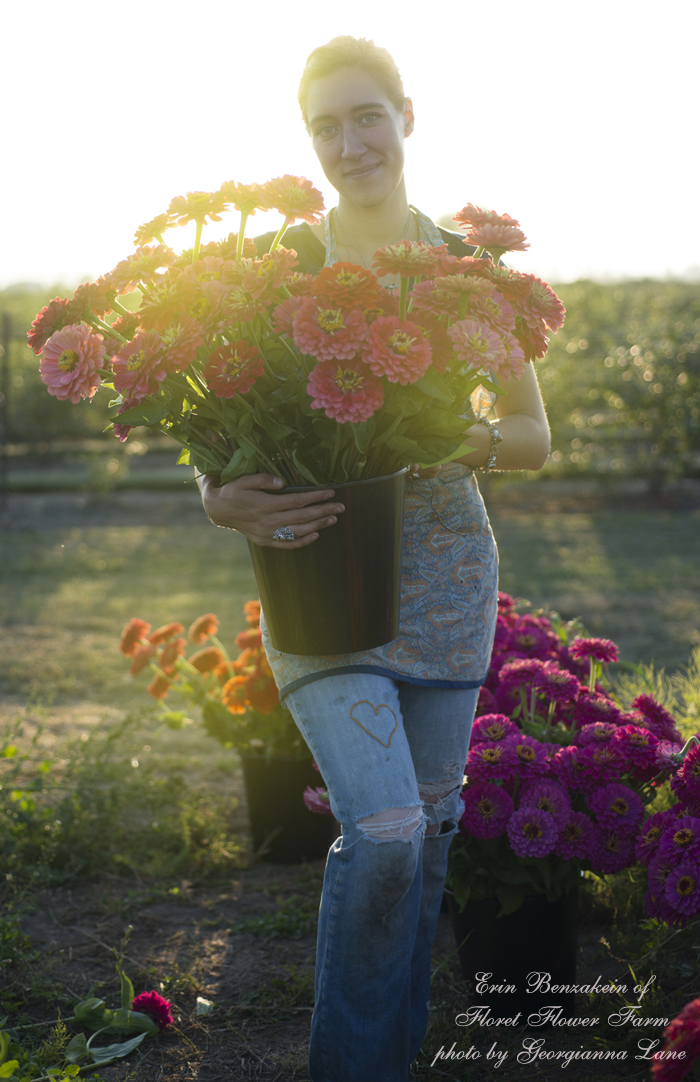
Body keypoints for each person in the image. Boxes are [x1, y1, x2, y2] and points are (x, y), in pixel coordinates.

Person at [198, 36, 550, 1082]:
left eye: (366, 116)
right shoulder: (279, 271)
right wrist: (219, 501)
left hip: (446, 587)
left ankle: (384, 1060)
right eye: (325, 127)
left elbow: (533, 436)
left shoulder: (467, 269)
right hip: (321, 590)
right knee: (388, 827)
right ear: (309, 141)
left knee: (431, 832)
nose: (350, 143)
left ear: (405, 116)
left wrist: (462, 441)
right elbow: (214, 432)